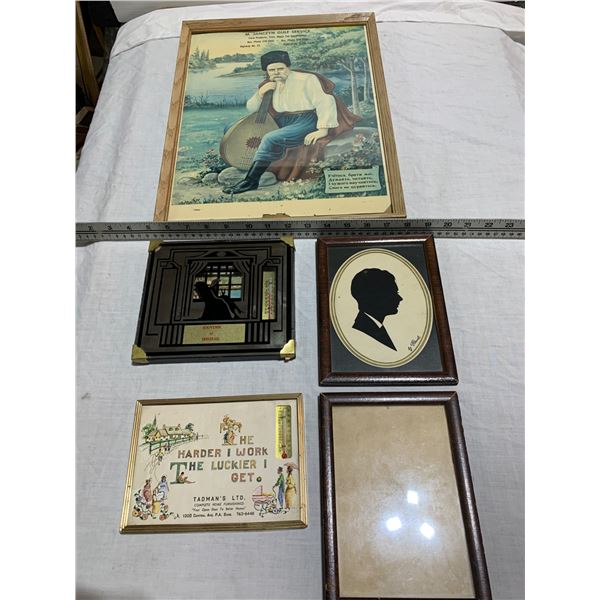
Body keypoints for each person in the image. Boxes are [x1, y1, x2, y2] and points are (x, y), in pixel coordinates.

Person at [224, 50, 359, 193]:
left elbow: (325, 101)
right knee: (232, 128)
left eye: (280, 68)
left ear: (288, 67)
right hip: (282, 119)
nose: (276, 72)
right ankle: (244, 164)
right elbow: (251, 108)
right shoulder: (269, 83)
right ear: (267, 71)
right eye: (272, 70)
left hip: (305, 120)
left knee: (270, 138)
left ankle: (251, 181)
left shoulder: (306, 79)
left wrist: (322, 130)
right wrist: (260, 94)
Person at [350, 268, 403, 351]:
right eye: (393, 293)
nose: (400, 298)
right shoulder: (363, 332)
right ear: (376, 297)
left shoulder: (371, 326)